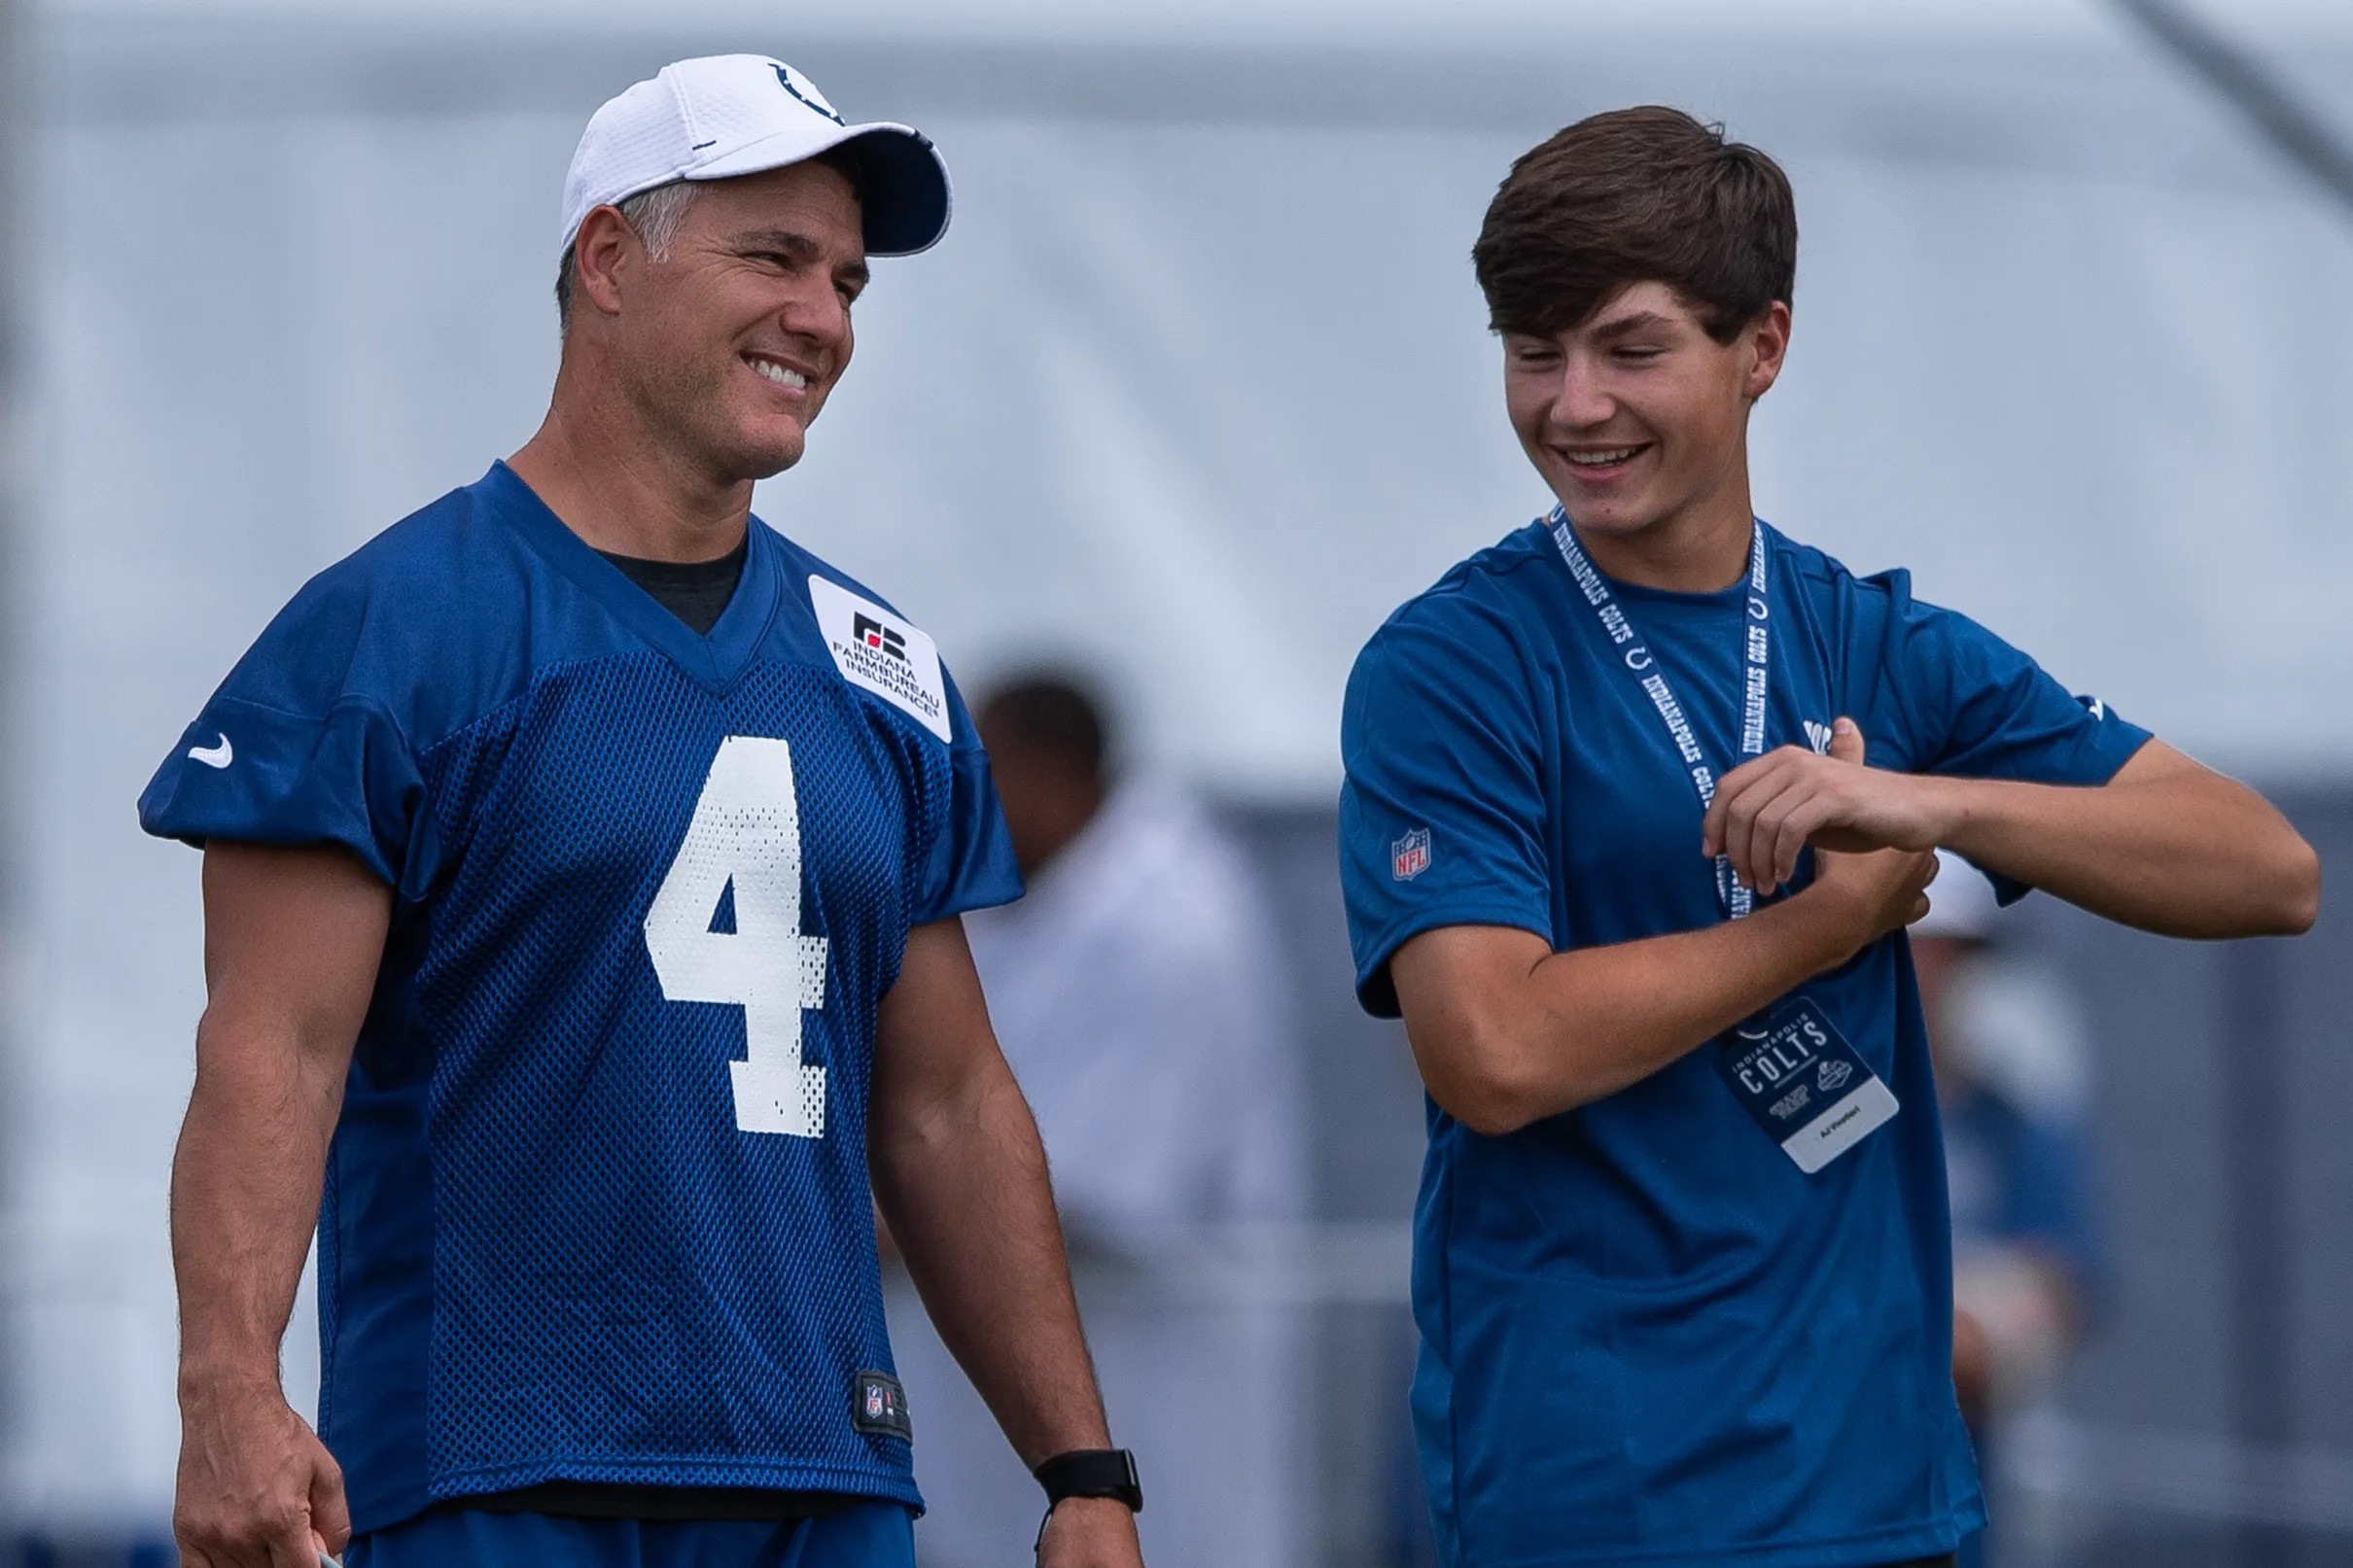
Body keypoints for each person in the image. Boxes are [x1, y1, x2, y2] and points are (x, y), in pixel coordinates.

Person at [138, 55, 1144, 1568]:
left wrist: (1083, 1472)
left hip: (825, 1471)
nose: (827, 317)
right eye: (775, 256)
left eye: (850, 280)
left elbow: (947, 1102)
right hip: (493, 1469)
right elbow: (272, 1045)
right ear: (610, 257)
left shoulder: (886, 676)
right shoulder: (391, 633)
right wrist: (229, 1389)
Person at [1335, 106, 2318, 1568]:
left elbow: (2268, 868)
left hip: (1884, 1486)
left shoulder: (1876, 641)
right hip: (1595, 1490)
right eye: (1533, 352)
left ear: (1764, 348)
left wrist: (1937, 806)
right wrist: (1823, 923)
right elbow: (1494, 1054)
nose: (1575, 403)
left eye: (1630, 346)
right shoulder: (1454, 661)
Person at [885, 676, 1307, 1568]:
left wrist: (788, 1225)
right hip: (1021, 1424)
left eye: (983, 781)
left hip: (1158, 1392)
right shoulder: (1038, 898)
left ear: (1049, 772)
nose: (965, 810)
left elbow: (1063, 1183)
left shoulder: (1174, 930)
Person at [1913, 859, 2102, 1568]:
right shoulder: (1806, 1121)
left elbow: (2066, 1280)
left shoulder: (2010, 1118)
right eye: (1908, 944)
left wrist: (1974, 1336)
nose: (1928, 972)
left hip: (1967, 1499)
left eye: (1949, 951)